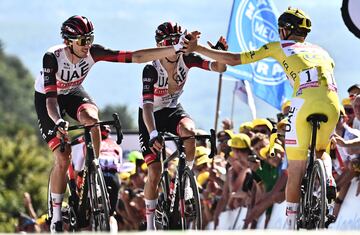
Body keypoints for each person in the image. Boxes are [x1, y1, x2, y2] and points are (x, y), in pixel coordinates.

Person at [187, 7, 340, 229]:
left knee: (296, 167)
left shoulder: (279, 47)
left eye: (280, 30)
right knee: (321, 151)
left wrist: (198, 48)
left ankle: (289, 223)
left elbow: (233, 59)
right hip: (333, 102)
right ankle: (328, 179)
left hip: (304, 102)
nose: (278, 34)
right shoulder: (322, 51)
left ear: (287, 31)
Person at [34, 15, 189, 232]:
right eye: (81, 41)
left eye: (90, 39)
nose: (87, 45)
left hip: (72, 93)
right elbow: (51, 101)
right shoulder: (53, 57)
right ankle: (57, 215)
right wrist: (58, 121)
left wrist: (174, 48)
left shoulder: (93, 52)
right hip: (48, 100)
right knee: (62, 155)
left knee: (93, 120)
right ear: (69, 42)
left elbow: (135, 57)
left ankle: (92, 169)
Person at [138, 21, 227, 230]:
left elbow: (219, 68)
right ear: (159, 45)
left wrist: (218, 53)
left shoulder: (187, 59)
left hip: (172, 110)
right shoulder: (151, 68)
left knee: (190, 132)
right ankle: (150, 222)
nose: (174, 46)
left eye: (176, 41)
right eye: (169, 42)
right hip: (151, 115)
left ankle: (186, 179)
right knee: (155, 170)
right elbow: (148, 107)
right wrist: (152, 134)